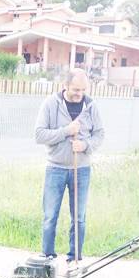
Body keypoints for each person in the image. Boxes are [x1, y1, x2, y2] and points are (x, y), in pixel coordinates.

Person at [35, 68, 104, 265]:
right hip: (55, 168)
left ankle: (74, 258)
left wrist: (85, 145)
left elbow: (100, 134)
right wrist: (66, 131)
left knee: (79, 218)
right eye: (75, 89)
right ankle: (47, 257)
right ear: (65, 85)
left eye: (83, 90)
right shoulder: (50, 104)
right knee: (50, 216)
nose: (79, 94)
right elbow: (39, 134)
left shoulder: (91, 106)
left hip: (81, 170)